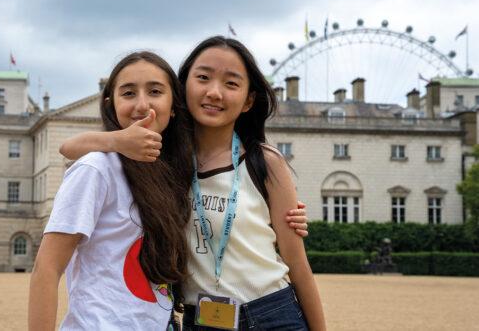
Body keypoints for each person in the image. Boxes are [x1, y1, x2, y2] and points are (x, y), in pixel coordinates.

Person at [59, 37, 323, 330]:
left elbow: (298, 266)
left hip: (272, 314)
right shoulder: (162, 162)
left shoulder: (266, 162)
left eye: (231, 84)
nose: (214, 92)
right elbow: (69, 147)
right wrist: (118, 140)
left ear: (249, 100)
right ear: (182, 88)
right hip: (201, 320)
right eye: (203, 77)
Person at [28, 51, 194, 331]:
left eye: (154, 91)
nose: (142, 104)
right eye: (128, 93)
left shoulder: (173, 170)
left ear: (174, 105)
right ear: (111, 105)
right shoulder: (96, 168)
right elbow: (46, 269)